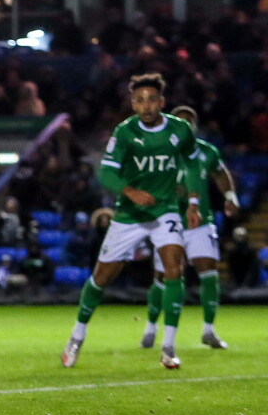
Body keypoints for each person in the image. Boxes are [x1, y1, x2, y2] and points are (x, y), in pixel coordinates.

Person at [62, 73, 202, 370]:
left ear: (161, 102)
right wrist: (131, 192)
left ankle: (168, 347)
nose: (146, 105)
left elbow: (192, 163)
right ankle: (77, 336)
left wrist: (192, 202)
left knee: (174, 268)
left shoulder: (179, 129)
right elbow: (106, 173)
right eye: (139, 100)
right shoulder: (125, 132)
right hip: (129, 214)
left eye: (151, 99)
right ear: (133, 104)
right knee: (103, 276)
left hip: (165, 210)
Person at [141, 106, 239, 351]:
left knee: (209, 273)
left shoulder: (206, 151)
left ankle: (208, 330)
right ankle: (151, 326)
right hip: (169, 222)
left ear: (194, 126)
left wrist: (229, 195)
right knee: (162, 277)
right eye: (180, 120)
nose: (185, 124)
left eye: (190, 121)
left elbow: (220, 171)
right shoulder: (160, 153)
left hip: (200, 222)